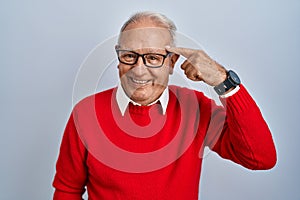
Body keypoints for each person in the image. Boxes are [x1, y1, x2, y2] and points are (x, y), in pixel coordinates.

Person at [52, 11, 277, 200]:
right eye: (129, 56)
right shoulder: (85, 113)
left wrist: (222, 81)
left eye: (153, 57)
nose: (139, 69)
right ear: (118, 58)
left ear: (171, 62)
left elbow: (261, 158)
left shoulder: (195, 108)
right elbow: (67, 190)